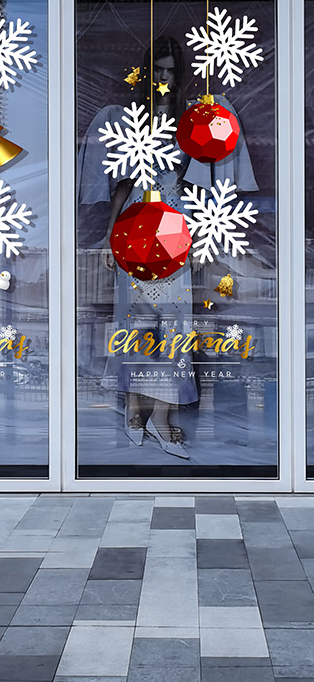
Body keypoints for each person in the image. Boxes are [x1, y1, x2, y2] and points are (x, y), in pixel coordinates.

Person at [78, 36, 256, 460]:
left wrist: (201, 235)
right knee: (137, 327)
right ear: (147, 73)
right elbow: (123, 185)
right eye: (157, 69)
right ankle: (135, 411)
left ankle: (163, 416)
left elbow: (200, 184)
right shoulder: (131, 121)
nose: (163, 77)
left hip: (177, 227)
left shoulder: (189, 120)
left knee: (174, 329)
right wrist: (108, 236)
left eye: (171, 70)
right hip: (134, 226)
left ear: (179, 76)